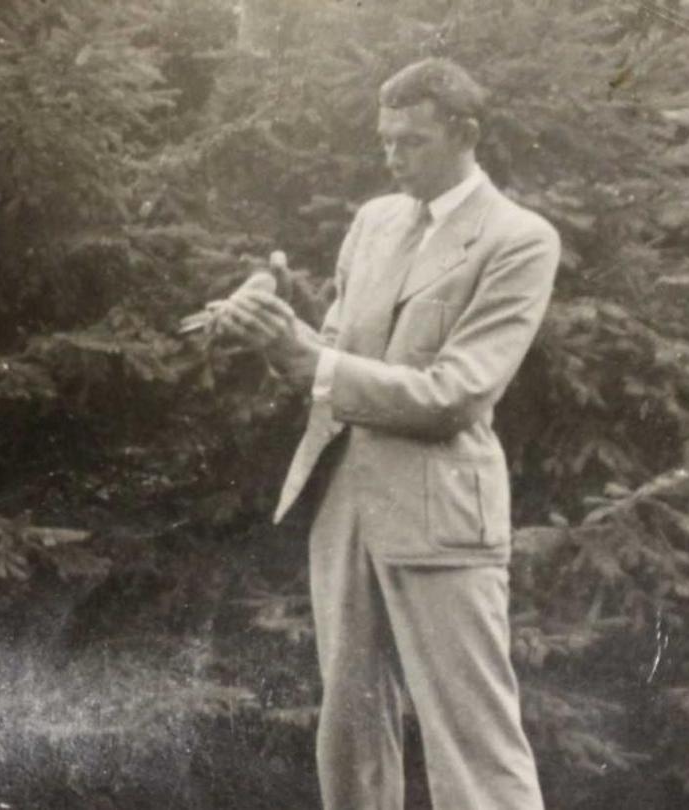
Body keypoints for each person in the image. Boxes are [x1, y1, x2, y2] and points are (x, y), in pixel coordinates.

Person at [219, 57, 560, 810]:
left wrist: (306, 354)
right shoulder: (374, 221)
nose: (392, 156)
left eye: (412, 141)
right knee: (350, 737)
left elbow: (456, 395)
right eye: (385, 140)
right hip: (344, 505)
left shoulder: (519, 240)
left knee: (474, 745)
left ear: (466, 135)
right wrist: (271, 330)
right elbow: (331, 363)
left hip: (442, 518)